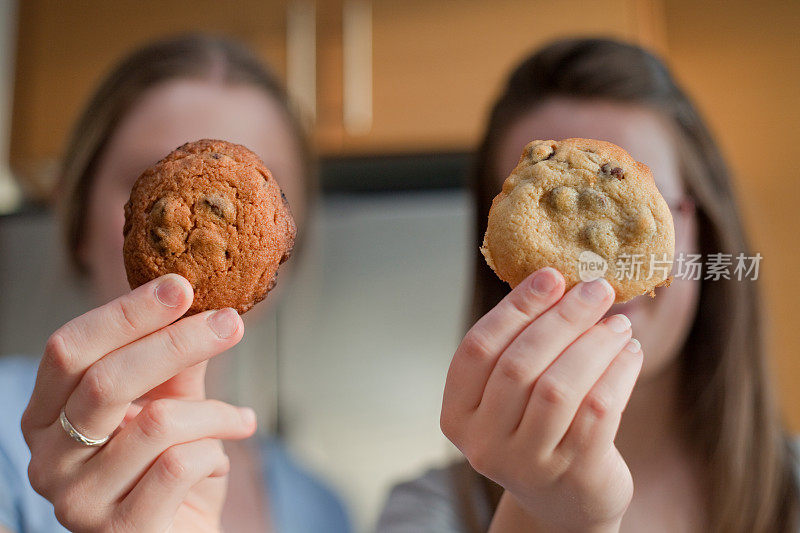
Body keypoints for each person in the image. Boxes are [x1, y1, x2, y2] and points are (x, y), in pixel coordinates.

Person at [378, 38, 799, 532]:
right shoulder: (429, 511)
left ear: (705, 230)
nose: (592, 270)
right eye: (550, 206)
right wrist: (541, 515)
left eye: (648, 202)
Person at [0, 34, 350, 532]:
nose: (206, 224)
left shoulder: (321, 510)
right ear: (77, 218)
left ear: (285, 244)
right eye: (149, 174)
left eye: (271, 192)